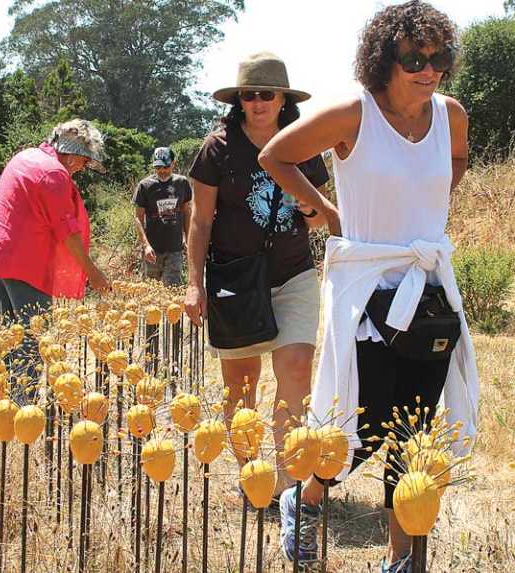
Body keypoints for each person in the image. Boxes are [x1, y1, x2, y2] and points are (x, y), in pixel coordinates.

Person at [258, 2, 480, 571]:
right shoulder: (353, 115)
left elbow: (456, 158)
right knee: (360, 421)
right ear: (386, 60)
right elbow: (276, 155)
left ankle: (400, 555)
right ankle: (304, 503)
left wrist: (426, 207)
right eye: (414, 58)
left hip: (426, 287)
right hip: (366, 291)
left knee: (415, 425)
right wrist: (328, 209)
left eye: (439, 59)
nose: (428, 70)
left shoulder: (450, 115)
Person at [184, 52, 331, 494]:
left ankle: (288, 488)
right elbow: (201, 221)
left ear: (283, 98)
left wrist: (308, 206)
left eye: (267, 93)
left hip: (294, 274)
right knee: (242, 384)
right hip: (237, 279)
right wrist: (194, 284)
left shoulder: (303, 143)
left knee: (298, 370)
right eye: (250, 95)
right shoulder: (218, 149)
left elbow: (319, 217)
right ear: (240, 101)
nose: (258, 102)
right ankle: (254, 478)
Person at [0, 118, 111, 400]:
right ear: (71, 154)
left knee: (4, 332)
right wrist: (93, 273)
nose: (83, 167)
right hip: (23, 264)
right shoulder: (54, 174)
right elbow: (67, 232)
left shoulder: (26, 156)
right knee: (34, 336)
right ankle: (22, 406)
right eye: (83, 161)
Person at [133, 147, 192, 286]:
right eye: (158, 167)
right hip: (152, 250)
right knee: (150, 294)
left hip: (175, 249)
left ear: (173, 164)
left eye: (165, 166)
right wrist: (145, 246)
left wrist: (187, 239)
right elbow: (138, 217)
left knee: (171, 292)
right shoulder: (145, 186)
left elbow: (186, 212)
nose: (162, 170)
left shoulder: (182, 183)